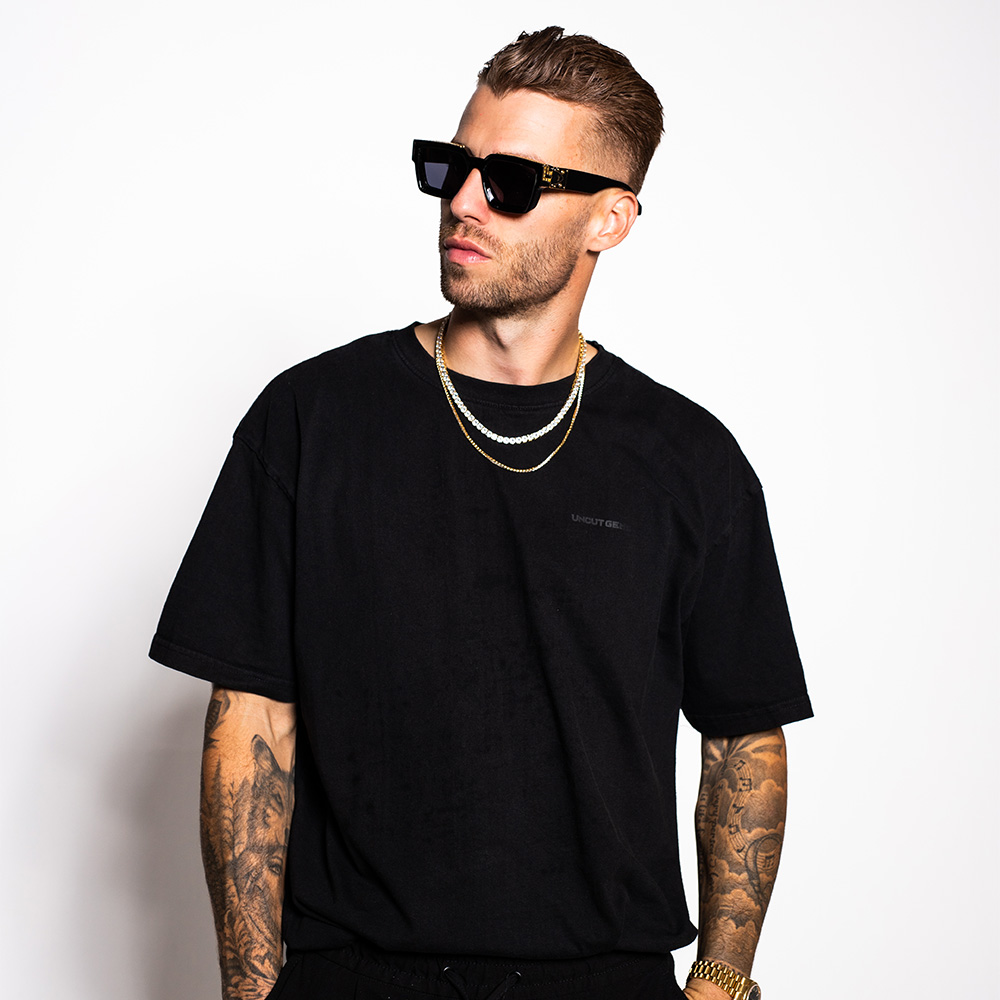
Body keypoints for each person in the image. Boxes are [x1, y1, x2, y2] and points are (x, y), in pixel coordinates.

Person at [150, 26, 812, 1000]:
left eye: (509, 182)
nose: (462, 200)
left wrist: (720, 981)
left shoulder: (687, 459)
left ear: (610, 219)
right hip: (357, 977)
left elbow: (742, 733)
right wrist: (252, 993)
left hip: (603, 981)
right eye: (451, 166)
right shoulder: (311, 419)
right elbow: (251, 715)